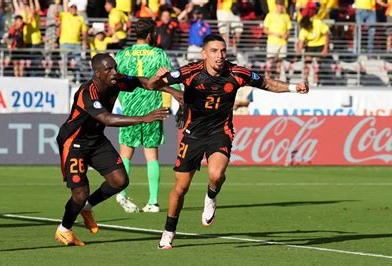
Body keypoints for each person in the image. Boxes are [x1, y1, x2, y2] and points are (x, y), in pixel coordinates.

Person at [145, 34, 309, 249]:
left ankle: (211, 197)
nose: (219, 55)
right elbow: (152, 85)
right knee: (180, 188)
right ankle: (169, 230)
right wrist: (158, 78)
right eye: (214, 51)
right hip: (192, 134)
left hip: (220, 132)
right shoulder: (190, 72)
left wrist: (293, 88)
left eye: (223, 51)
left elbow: (267, 83)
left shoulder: (237, 73)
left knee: (216, 174)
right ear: (204, 53)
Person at [54, 53, 176, 246]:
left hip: (96, 140)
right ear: (97, 73)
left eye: (115, 67)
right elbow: (106, 119)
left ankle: (87, 207)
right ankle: (64, 229)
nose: (115, 72)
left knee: (120, 180)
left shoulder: (116, 80)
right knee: (80, 192)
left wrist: (172, 91)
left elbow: (141, 82)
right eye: (109, 69)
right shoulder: (88, 92)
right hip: (74, 143)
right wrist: (143, 118)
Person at [114, 19, 181, 213]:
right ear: (151, 34)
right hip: (153, 109)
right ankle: (153, 202)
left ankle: (122, 193)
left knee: (125, 154)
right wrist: (176, 101)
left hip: (130, 110)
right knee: (151, 156)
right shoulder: (159, 54)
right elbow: (170, 78)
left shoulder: (123, 55)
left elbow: (114, 79)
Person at [54, 0, 88, 83]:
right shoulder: (64, 15)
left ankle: (78, 79)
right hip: (65, 43)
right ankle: (63, 79)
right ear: (69, 9)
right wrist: (57, 4)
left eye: (74, 7)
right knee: (64, 62)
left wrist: (84, 42)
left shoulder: (80, 18)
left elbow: (84, 31)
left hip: (76, 43)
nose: (73, 9)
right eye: (71, 7)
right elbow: (55, 13)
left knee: (78, 63)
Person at [296, 15, 329, 86]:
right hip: (310, 46)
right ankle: (305, 81)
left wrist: (325, 49)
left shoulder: (318, 23)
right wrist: (298, 49)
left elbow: (327, 34)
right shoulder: (303, 30)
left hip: (320, 44)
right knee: (307, 64)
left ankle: (316, 82)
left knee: (317, 66)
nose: (307, 29)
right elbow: (300, 43)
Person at [263, 0, 291, 80]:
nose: (280, 7)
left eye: (282, 5)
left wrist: (286, 35)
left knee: (279, 63)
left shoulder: (286, 16)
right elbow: (265, 30)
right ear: (275, 5)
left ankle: (277, 80)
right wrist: (275, 34)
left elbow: (288, 29)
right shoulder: (270, 15)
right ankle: (267, 79)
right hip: (272, 42)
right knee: (270, 62)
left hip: (282, 43)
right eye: (279, 5)